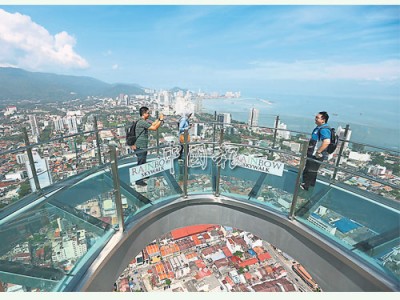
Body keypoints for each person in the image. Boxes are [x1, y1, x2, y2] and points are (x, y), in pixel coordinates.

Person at [132, 106, 164, 186]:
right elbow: (154, 128)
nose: (149, 114)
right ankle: (138, 180)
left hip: (143, 145)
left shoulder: (144, 121)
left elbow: (153, 124)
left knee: (143, 161)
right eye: (148, 113)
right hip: (140, 145)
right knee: (140, 162)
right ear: (144, 113)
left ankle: (144, 175)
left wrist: (159, 119)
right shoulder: (141, 122)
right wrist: (161, 119)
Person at [301, 111, 331, 191]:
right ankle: (309, 185)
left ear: (323, 120)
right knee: (312, 170)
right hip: (312, 153)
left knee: (310, 170)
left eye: (317, 117)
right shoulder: (319, 128)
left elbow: (327, 142)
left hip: (315, 154)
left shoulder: (324, 129)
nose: (315, 119)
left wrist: (318, 152)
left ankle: (305, 186)